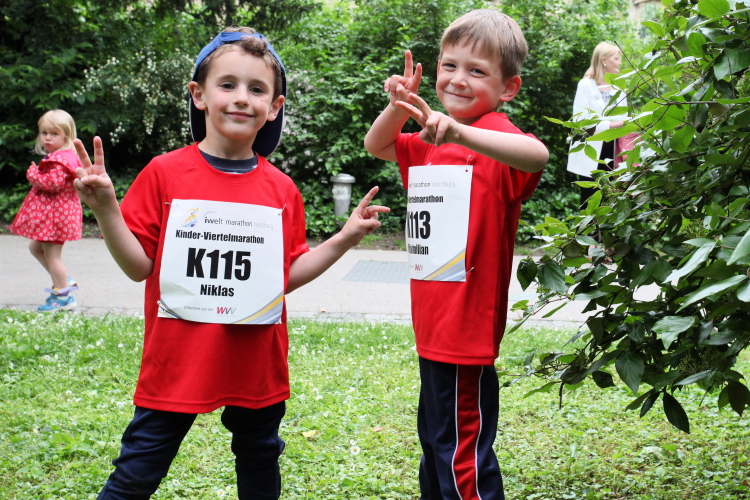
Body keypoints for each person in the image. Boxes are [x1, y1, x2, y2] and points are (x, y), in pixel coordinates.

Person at [73, 27, 389, 499]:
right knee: (138, 470)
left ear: (274, 106)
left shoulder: (282, 190)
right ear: (199, 95)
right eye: (228, 84)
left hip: (254, 361)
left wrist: (344, 239)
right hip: (177, 359)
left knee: (260, 458)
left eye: (257, 89)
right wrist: (105, 209)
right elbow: (139, 267)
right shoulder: (164, 173)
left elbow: (284, 278)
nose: (242, 98)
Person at [364, 9, 548, 500]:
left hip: (467, 330)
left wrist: (461, 132)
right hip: (432, 323)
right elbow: (377, 144)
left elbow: (538, 155)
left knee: (461, 454)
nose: (458, 79)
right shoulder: (429, 141)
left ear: (508, 88)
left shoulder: (495, 139)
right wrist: (401, 106)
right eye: (449, 65)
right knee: (436, 444)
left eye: (477, 70)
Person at [9, 109, 82, 312]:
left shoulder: (60, 160)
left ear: (66, 136)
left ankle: (64, 297)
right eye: (44, 133)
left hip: (56, 218)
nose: (48, 137)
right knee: (35, 248)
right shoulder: (61, 156)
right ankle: (63, 279)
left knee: (53, 256)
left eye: (54, 133)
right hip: (55, 216)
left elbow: (53, 183)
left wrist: (33, 174)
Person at [566, 41, 628, 205]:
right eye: (616, 59)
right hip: (591, 151)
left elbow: (625, 120)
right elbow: (580, 121)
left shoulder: (619, 88)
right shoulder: (585, 85)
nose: (619, 63)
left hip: (614, 151)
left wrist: (617, 124)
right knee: (590, 200)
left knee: (612, 199)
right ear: (604, 60)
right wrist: (610, 125)